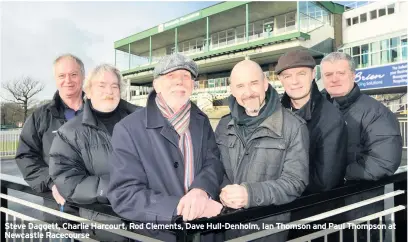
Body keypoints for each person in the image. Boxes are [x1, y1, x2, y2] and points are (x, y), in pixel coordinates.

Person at [107, 53, 224, 241]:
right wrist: (180, 207)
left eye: (186, 76)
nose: (180, 81)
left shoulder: (201, 121)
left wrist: (201, 190)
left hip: (203, 233)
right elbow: (124, 194)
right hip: (159, 234)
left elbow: (213, 162)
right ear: (156, 85)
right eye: (171, 76)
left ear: (193, 85)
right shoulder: (128, 128)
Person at [215, 59, 309, 241]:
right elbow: (216, 168)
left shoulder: (293, 126)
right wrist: (225, 191)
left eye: (254, 83)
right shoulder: (223, 125)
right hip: (228, 229)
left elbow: (295, 182)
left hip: (268, 232)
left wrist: (250, 194)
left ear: (265, 84)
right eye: (240, 86)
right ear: (232, 91)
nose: (248, 92)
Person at [49, 64, 139, 241]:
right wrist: (111, 187)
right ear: (88, 92)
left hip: (149, 224)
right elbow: (67, 180)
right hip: (106, 228)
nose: (109, 91)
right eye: (102, 85)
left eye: (115, 86)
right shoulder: (70, 133)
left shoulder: (143, 120)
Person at [321, 52, 402, 241]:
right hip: (324, 209)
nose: (334, 79)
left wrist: (339, 173)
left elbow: (384, 161)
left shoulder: (375, 112)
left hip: (360, 210)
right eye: (328, 74)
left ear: (353, 75)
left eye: (340, 73)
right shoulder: (317, 110)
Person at [278, 50, 348, 240]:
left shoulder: (330, 118)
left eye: (301, 74)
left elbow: (325, 180)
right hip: (282, 215)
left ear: (312, 74)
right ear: (281, 80)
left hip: (316, 218)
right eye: (287, 76)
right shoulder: (275, 112)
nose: (294, 81)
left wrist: (276, 184)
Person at [15, 54, 85, 221]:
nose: (68, 80)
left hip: (99, 208)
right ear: (55, 78)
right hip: (59, 207)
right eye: (62, 75)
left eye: (73, 74)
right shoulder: (40, 117)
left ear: (83, 76)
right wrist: (51, 182)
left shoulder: (99, 112)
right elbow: (26, 156)